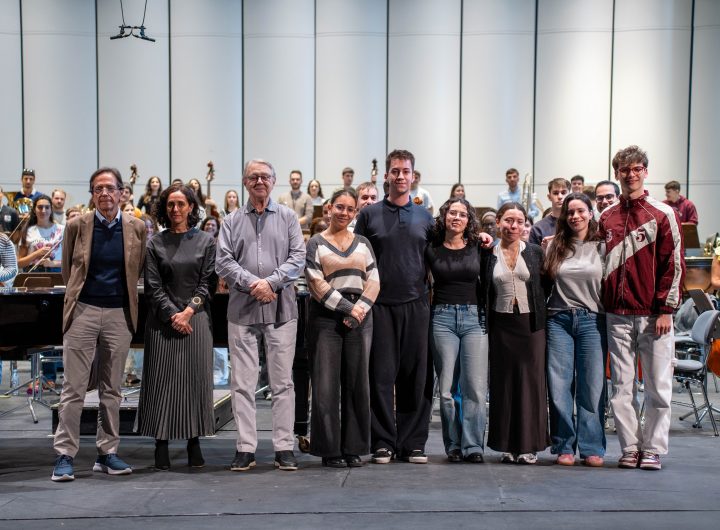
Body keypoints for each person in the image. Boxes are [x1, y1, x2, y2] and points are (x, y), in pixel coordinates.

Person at [51, 167, 147, 482]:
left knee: (112, 389)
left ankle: (107, 453)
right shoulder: (76, 225)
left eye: (110, 188)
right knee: (73, 388)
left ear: (121, 192)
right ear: (92, 194)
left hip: (119, 313)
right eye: (98, 189)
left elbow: (137, 269)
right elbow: (68, 271)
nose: (104, 193)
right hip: (83, 311)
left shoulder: (136, 227)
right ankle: (65, 454)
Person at [215, 159, 305, 472]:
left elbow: (298, 258)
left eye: (265, 177)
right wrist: (255, 284)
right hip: (243, 310)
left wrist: (271, 283)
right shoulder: (230, 221)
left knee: (283, 383)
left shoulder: (288, 217)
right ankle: (245, 448)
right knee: (242, 383)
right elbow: (223, 261)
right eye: (253, 177)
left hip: (281, 310)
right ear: (245, 182)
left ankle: (284, 447)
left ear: (273, 181)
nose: (259, 181)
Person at [600, 145, 685, 471]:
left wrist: (666, 310)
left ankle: (653, 449)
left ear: (645, 172)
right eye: (625, 169)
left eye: (637, 169)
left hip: (653, 316)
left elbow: (673, 264)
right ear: (617, 173)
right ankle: (630, 448)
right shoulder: (606, 217)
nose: (631, 174)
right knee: (621, 388)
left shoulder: (663, 214)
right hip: (617, 315)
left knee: (658, 388)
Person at [354, 149, 434, 464]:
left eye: (406, 171)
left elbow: (439, 257)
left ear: (413, 176)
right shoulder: (369, 215)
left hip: (417, 305)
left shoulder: (425, 217)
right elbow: (356, 258)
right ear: (387, 175)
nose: (401, 176)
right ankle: (383, 441)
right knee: (381, 377)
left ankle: (413, 442)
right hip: (379, 306)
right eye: (395, 171)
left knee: (416, 377)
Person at [136, 184, 216, 470]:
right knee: (162, 383)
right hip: (162, 321)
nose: (175, 209)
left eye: (181, 204)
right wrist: (174, 315)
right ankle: (161, 444)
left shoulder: (206, 241)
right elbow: (152, 287)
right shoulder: (154, 243)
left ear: (191, 207)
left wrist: (188, 312)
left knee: (195, 382)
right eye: (170, 204)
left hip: (196, 319)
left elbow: (208, 283)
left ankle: (194, 442)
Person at [305, 189, 380, 467]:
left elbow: (374, 280)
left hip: (360, 316)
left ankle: (353, 448)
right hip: (326, 317)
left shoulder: (363, 243)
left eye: (350, 209)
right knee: (325, 386)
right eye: (339, 207)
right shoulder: (316, 243)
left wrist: (359, 311)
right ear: (329, 208)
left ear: (355, 213)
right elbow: (315, 282)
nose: (344, 213)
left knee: (357, 383)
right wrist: (348, 309)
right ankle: (329, 450)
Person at [482, 202, 549, 464]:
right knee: (503, 385)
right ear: (498, 222)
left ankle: (529, 445)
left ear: (525, 225)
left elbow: (546, 285)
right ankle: (507, 445)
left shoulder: (534, 252)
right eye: (508, 220)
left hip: (530, 326)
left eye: (519, 221)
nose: (513, 226)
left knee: (531, 384)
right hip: (500, 325)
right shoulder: (488, 253)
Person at [544, 193, 606, 467]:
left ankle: (592, 446)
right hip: (559, 320)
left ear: (591, 214)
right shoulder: (554, 245)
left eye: (581, 211)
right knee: (559, 386)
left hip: (592, 320)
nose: (575, 216)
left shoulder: (603, 247)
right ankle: (564, 445)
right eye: (570, 212)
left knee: (591, 386)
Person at [426, 198, 488, 463]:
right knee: (447, 390)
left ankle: (473, 445)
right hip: (442, 319)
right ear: (444, 216)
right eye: (453, 213)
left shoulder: (478, 246)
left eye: (463, 214)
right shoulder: (431, 248)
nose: (457, 218)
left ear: (468, 220)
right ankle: (453, 444)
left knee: (475, 387)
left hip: (474, 318)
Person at [17, 195, 64, 272]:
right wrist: (37, 253)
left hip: (57, 273)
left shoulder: (62, 229)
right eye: (40, 207)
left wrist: (52, 263)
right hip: (33, 274)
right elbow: (19, 263)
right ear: (34, 210)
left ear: (51, 209)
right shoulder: (27, 231)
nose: (43, 211)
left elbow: (71, 260)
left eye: (47, 207)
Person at [529, 178, 570, 246]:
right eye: (555, 193)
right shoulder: (538, 228)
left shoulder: (576, 222)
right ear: (549, 197)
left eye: (563, 193)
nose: (560, 196)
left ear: (569, 196)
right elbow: (533, 252)